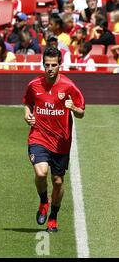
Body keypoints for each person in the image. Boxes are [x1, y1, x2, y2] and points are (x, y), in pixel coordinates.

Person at [23, 46, 85, 233]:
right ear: (43, 65)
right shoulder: (34, 85)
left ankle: (53, 216)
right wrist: (27, 115)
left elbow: (81, 112)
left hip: (61, 142)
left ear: (60, 65)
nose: (50, 68)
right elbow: (28, 103)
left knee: (58, 181)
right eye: (47, 65)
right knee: (41, 173)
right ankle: (43, 201)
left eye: (54, 65)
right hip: (39, 137)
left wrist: (73, 107)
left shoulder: (69, 86)